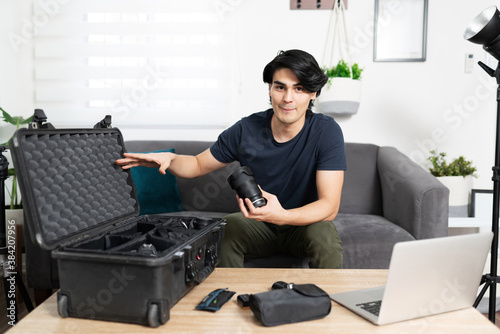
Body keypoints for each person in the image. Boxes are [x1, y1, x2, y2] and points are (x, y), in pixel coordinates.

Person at [116, 49, 347, 268]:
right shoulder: (246, 129)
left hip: (303, 224)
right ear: (269, 89)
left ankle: (329, 305)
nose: (288, 98)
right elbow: (197, 164)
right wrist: (171, 159)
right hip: (259, 224)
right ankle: (228, 299)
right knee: (228, 227)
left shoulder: (326, 132)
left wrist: (283, 216)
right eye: (280, 87)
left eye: (299, 89)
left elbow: (329, 206)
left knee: (323, 233)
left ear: (313, 93)